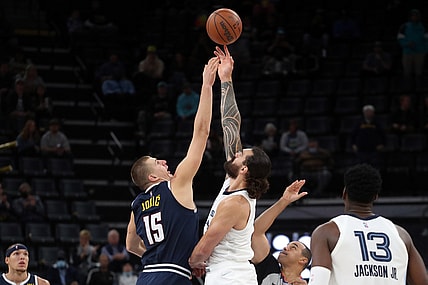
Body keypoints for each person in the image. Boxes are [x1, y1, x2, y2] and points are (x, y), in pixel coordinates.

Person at [125, 55, 218, 285]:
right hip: (172, 276)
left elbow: (130, 245)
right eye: (158, 162)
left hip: (146, 277)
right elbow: (201, 133)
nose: (165, 162)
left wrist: (157, 255)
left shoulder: (137, 203)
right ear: (152, 176)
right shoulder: (176, 185)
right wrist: (206, 85)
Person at [188, 46, 272, 285]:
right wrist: (226, 79)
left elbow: (205, 245)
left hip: (231, 277)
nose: (234, 154)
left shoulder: (236, 203)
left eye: (240, 156)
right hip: (227, 274)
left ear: (244, 169)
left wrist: (192, 263)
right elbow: (230, 125)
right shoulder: (233, 184)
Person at [308, 163, 428, 285]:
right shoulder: (401, 235)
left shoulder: (327, 232)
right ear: (375, 197)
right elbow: (422, 282)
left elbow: (318, 282)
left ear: (345, 193)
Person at [251, 180, 311, 285]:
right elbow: (257, 231)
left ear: (303, 260)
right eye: (288, 245)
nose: (285, 248)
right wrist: (284, 200)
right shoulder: (268, 266)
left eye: (293, 247)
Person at [397, 9, 428, 90]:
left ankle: (419, 88)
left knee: (419, 72)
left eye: (416, 15)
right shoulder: (404, 26)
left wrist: (425, 50)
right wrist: (407, 43)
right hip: (408, 52)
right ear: (410, 17)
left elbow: (427, 39)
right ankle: (408, 88)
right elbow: (400, 38)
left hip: (420, 52)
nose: (415, 17)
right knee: (407, 72)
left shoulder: (423, 26)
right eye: (413, 15)